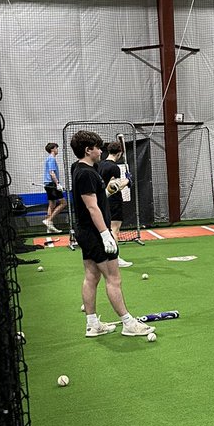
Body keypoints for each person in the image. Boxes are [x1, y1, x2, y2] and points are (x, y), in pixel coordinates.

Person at [69, 130, 152, 338]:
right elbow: (92, 208)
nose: (100, 151)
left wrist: (120, 184)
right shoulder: (86, 173)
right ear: (88, 150)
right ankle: (128, 322)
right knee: (113, 278)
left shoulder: (82, 169)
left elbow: (100, 196)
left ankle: (92, 324)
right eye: (97, 148)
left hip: (86, 231)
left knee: (91, 276)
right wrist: (106, 234)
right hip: (95, 232)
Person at [97, 141, 133, 270]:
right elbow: (115, 186)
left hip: (102, 201)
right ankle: (115, 258)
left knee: (107, 229)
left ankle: (107, 256)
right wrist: (128, 180)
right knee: (114, 229)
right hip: (113, 201)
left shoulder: (99, 164)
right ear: (119, 153)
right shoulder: (114, 167)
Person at [42, 142, 67, 233]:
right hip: (52, 185)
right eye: (56, 148)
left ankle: (49, 228)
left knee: (52, 205)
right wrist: (57, 184)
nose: (57, 150)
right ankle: (49, 220)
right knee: (63, 203)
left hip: (48, 185)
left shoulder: (48, 159)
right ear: (52, 149)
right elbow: (51, 173)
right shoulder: (51, 159)